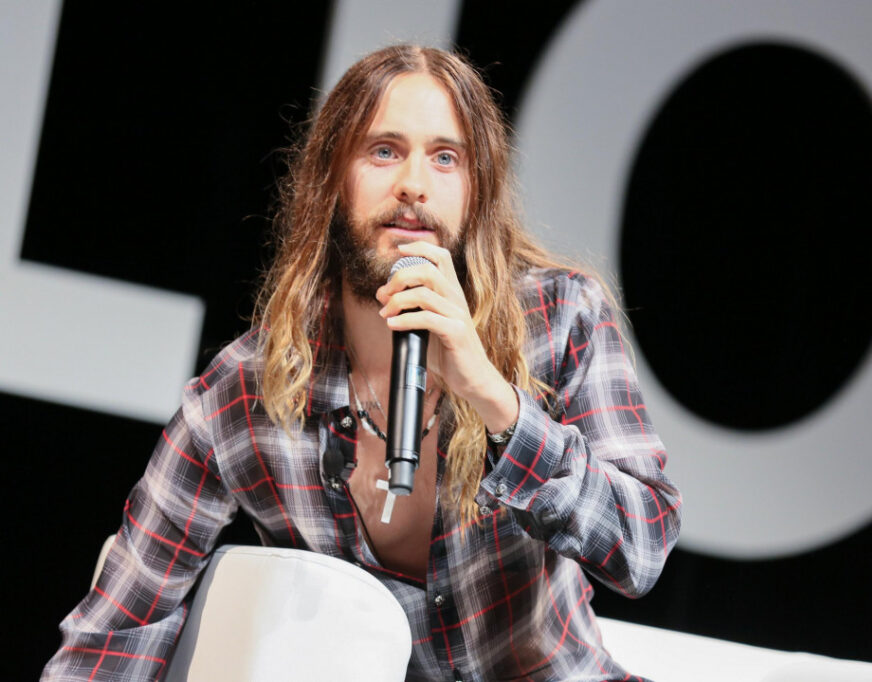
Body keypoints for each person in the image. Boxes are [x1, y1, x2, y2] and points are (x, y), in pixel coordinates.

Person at [43, 44, 681, 681]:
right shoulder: (243, 392)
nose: (413, 184)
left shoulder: (560, 317)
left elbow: (644, 546)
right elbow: (113, 635)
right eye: (383, 151)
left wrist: (495, 400)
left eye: (445, 157)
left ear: (476, 191)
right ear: (332, 180)